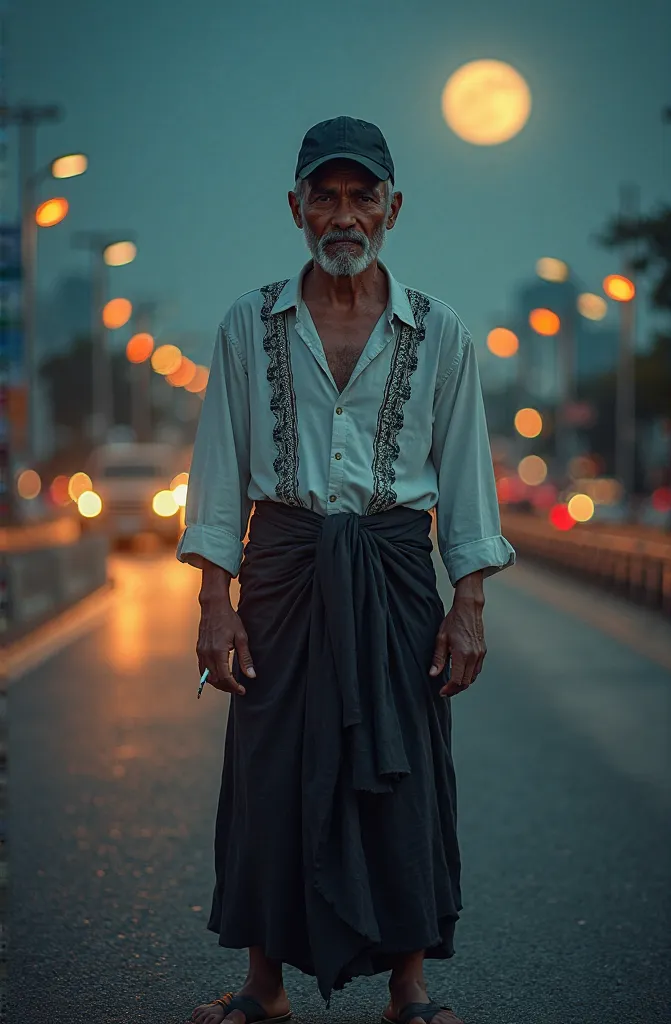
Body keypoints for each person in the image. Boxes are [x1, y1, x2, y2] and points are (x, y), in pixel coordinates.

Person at [177, 116, 515, 1024]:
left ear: (392, 208)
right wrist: (217, 602)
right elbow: (215, 476)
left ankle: (410, 988)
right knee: (268, 769)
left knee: (404, 769)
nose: (342, 213)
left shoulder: (440, 331)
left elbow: (467, 477)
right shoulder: (247, 324)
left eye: (361, 195)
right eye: (323, 195)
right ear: (295, 208)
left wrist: (468, 600)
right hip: (281, 571)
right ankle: (264, 987)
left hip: (396, 574)